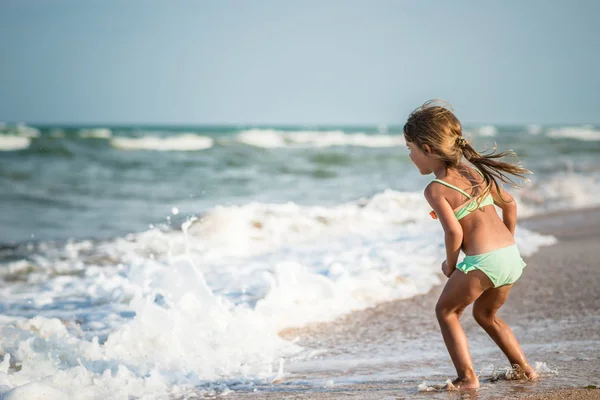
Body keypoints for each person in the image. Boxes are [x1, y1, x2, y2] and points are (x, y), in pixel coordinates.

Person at [403, 100, 538, 390]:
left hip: (484, 262)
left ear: (427, 149)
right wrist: (507, 241)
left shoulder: (436, 189)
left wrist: (450, 265)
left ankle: (467, 378)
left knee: (446, 312)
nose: (410, 156)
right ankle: (524, 369)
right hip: (510, 256)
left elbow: (453, 233)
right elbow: (510, 205)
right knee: (485, 315)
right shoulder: (473, 173)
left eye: (410, 149)